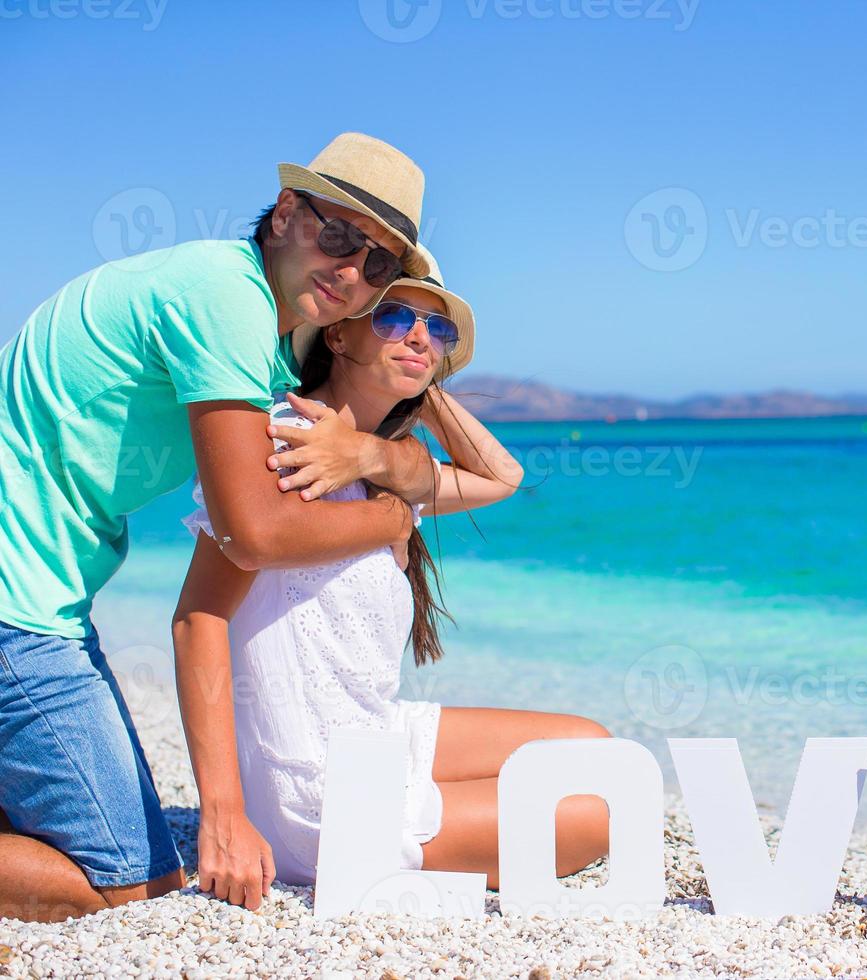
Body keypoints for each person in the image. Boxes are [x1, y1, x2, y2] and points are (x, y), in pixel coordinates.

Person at [0, 134, 442, 923]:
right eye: (337, 236)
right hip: (17, 612)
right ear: (284, 215)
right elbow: (253, 535)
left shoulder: (255, 330)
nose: (350, 272)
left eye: (378, 268)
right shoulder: (225, 299)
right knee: (128, 880)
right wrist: (388, 517)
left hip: (39, 600)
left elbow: (491, 479)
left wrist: (400, 404)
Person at [172, 250, 612, 909]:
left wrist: (408, 399)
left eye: (440, 331)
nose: (421, 337)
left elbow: (503, 477)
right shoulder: (283, 446)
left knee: (594, 749)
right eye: (397, 317)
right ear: (340, 331)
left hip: (377, 733)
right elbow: (197, 617)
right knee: (596, 815)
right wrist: (223, 814)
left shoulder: (384, 475)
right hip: (321, 790)